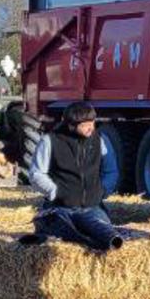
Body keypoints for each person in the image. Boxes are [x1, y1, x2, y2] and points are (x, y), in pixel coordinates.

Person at [27, 102, 120, 249]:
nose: (91, 127)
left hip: (92, 208)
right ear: (71, 125)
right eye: (85, 124)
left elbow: (111, 171)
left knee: (106, 240)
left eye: (93, 122)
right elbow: (36, 174)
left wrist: (103, 191)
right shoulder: (50, 141)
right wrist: (55, 192)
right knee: (67, 240)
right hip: (60, 207)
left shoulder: (101, 139)